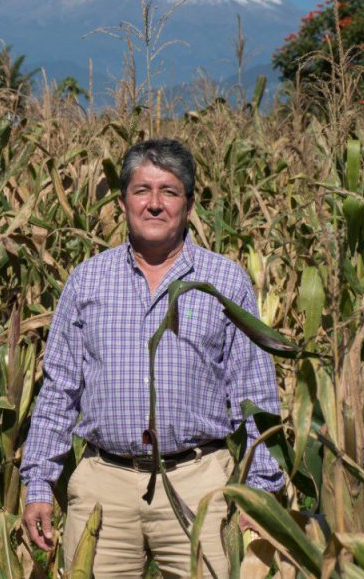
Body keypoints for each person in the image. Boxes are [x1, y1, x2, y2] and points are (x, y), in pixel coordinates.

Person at [19, 139, 283, 577]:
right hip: (104, 485)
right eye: (142, 190)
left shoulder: (224, 280)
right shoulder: (88, 281)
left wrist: (261, 491)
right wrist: (39, 483)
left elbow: (254, 392)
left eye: (169, 192)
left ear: (189, 205)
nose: (155, 203)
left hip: (201, 483)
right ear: (123, 202)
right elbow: (58, 390)